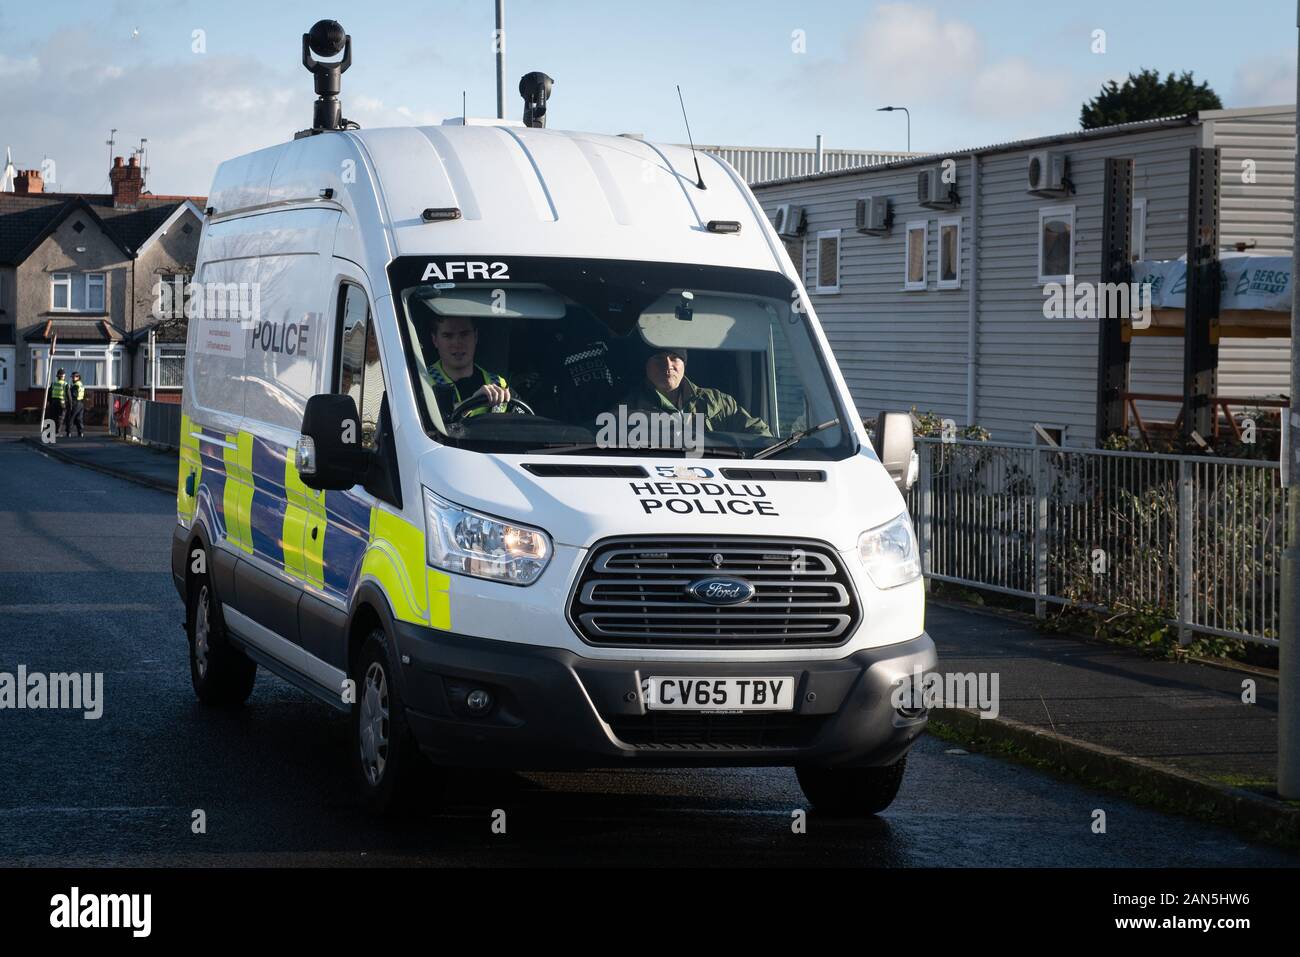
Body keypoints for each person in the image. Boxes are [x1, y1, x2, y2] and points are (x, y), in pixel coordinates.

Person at [619, 346, 771, 436]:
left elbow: (759, 435)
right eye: (659, 358)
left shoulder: (718, 402)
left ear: (684, 364)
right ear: (646, 366)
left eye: (674, 358)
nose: (668, 365)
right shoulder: (626, 410)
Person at [425, 315, 511, 420]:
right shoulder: (420, 383)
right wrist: (471, 403)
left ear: (476, 336)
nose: (457, 343)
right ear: (435, 340)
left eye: (464, 334)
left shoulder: (499, 383)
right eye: (448, 336)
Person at [66, 372, 86, 438]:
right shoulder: (81, 384)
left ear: (78, 377)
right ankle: (81, 433)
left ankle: (69, 433)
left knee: (71, 418)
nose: (72, 378)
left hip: (75, 403)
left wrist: (70, 389)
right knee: (79, 418)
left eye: (74, 377)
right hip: (81, 403)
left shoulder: (75, 385)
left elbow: (74, 395)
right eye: (72, 377)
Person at [48, 368, 68, 437]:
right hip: (61, 403)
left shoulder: (53, 384)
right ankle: (57, 432)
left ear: (57, 376)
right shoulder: (65, 384)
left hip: (53, 402)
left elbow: (49, 394)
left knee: (53, 417)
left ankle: (51, 432)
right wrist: (70, 405)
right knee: (60, 418)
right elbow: (68, 396)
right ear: (63, 376)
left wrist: (49, 402)